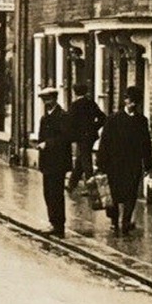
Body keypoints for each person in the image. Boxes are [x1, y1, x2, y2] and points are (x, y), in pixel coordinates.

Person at [96, 84, 152, 234]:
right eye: (129, 100)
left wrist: (147, 164)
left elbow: (146, 143)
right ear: (125, 101)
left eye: (135, 102)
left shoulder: (141, 121)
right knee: (114, 194)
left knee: (131, 193)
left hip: (133, 163)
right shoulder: (113, 119)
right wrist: (101, 163)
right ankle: (114, 221)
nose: (132, 104)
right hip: (114, 163)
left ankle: (126, 221)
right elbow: (105, 142)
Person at [36, 86, 72, 238]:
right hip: (47, 162)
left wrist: (47, 144)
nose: (46, 103)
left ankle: (59, 225)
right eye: (44, 100)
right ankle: (52, 222)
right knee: (47, 193)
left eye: (48, 100)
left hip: (58, 161)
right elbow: (41, 137)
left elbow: (65, 138)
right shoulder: (44, 118)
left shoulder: (63, 116)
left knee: (56, 194)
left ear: (55, 99)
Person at [65, 81, 106, 192]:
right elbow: (103, 118)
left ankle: (91, 188)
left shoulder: (75, 105)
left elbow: (69, 123)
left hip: (81, 137)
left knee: (86, 160)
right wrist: (94, 127)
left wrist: (71, 135)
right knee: (81, 158)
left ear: (75, 93)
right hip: (91, 136)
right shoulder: (91, 103)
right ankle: (72, 184)